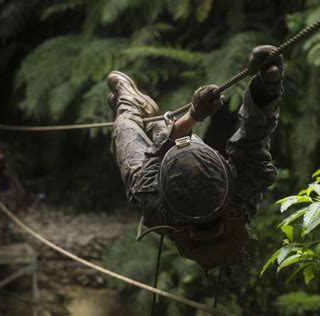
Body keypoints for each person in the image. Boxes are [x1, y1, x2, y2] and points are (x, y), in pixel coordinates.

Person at [108, 45, 284, 270]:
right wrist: (268, 83)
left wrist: (192, 116)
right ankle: (155, 120)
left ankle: (132, 105)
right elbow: (255, 134)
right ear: (224, 172)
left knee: (124, 128)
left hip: (157, 183)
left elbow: (153, 155)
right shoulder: (242, 193)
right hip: (186, 171)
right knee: (167, 132)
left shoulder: (155, 204)